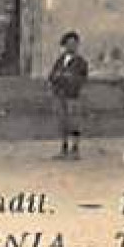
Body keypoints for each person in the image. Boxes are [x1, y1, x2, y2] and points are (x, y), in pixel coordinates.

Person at [47, 31, 89, 160]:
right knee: (63, 122)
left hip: (73, 95)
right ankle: (64, 148)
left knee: (74, 122)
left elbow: (82, 78)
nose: (72, 46)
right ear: (64, 45)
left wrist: (69, 78)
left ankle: (75, 149)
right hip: (60, 95)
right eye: (69, 44)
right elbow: (52, 75)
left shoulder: (81, 62)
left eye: (75, 44)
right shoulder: (60, 60)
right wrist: (58, 78)